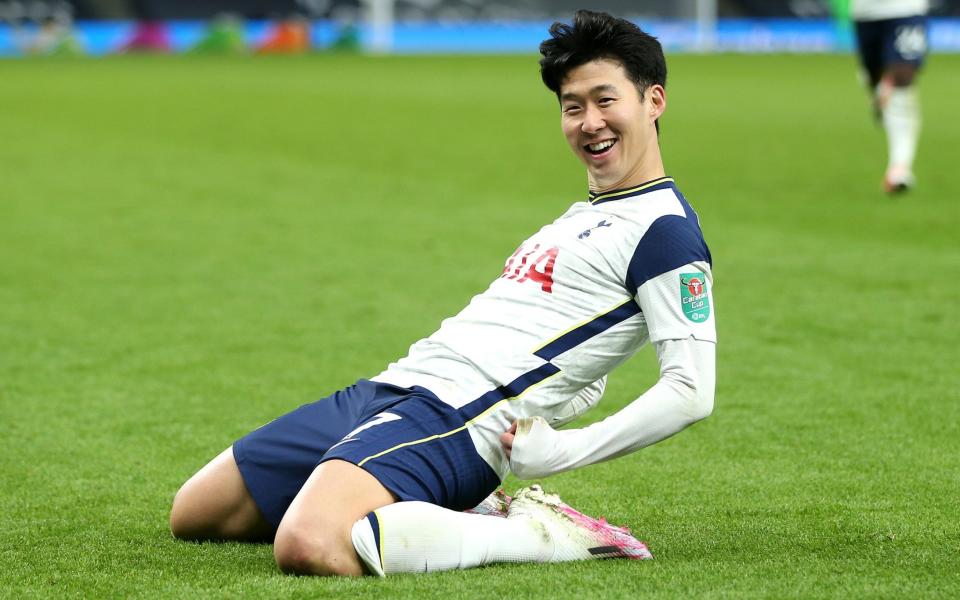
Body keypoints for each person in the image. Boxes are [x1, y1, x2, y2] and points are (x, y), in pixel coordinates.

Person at [169, 9, 716, 577]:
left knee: (310, 544)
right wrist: (570, 389)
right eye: (572, 106)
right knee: (200, 513)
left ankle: (537, 534)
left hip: (460, 416)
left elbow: (691, 390)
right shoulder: (579, 218)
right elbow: (570, 339)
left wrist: (562, 451)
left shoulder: (665, 230)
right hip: (395, 385)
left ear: (654, 101)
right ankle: (442, 503)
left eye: (606, 101)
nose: (589, 122)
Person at [850, 0, 929, 193]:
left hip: (905, 9)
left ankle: (899, 169)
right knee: (876, 81)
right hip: (865, 12)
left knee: (902, 79)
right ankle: (880, 94)